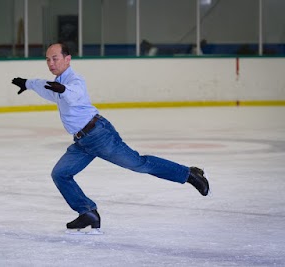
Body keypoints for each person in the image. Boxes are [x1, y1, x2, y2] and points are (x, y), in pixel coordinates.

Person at [11, 43, 209, 233]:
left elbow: (74, 94)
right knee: (60, 174)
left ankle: (189, 174)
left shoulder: (73, 81)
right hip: (82, 142)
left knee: (138, 164)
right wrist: (26, 83)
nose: (51, 63)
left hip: (99, 134)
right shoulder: (57, 83)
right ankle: (87, 212)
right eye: (48, 60)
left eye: (55, 58)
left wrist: (62, 90)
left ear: (67, 59)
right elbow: (42, 85)